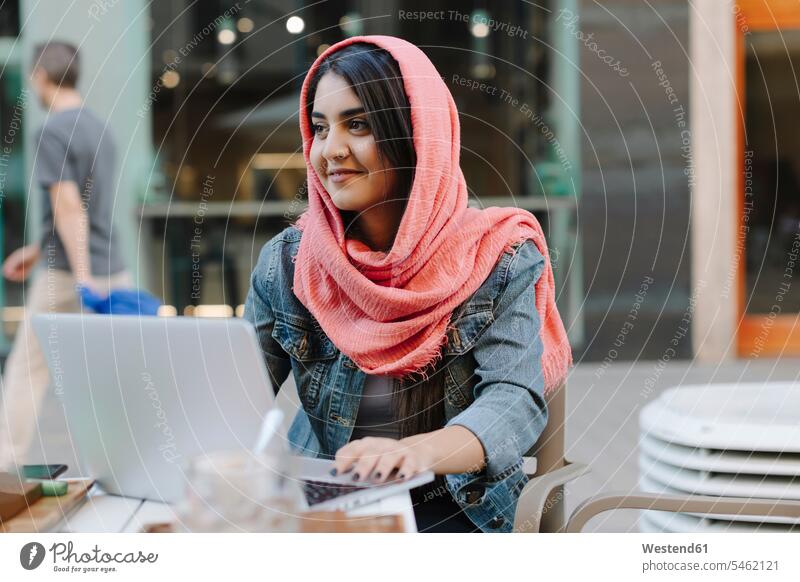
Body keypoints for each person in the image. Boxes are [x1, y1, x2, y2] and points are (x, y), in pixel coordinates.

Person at [243, 36, 572, 532]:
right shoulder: (290, 262)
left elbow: (514, 401)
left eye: (358, 124)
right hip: (327, 501)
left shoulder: (498, 256)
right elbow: (237, 394)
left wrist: (410, 454)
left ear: (415, 133)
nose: (330, 149)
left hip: (461, 511)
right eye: (319, 127)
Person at [0, 41, 131, 469]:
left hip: (72, 275)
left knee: (26, 370)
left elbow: (70, 206)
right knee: (111, 375)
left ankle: (3, 463)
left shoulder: (53, 130)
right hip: (112, 268)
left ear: (40, 75)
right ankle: (127, 464)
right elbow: (85, 211)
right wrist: (38, 250)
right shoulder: (100, 127)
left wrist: (80, 275)